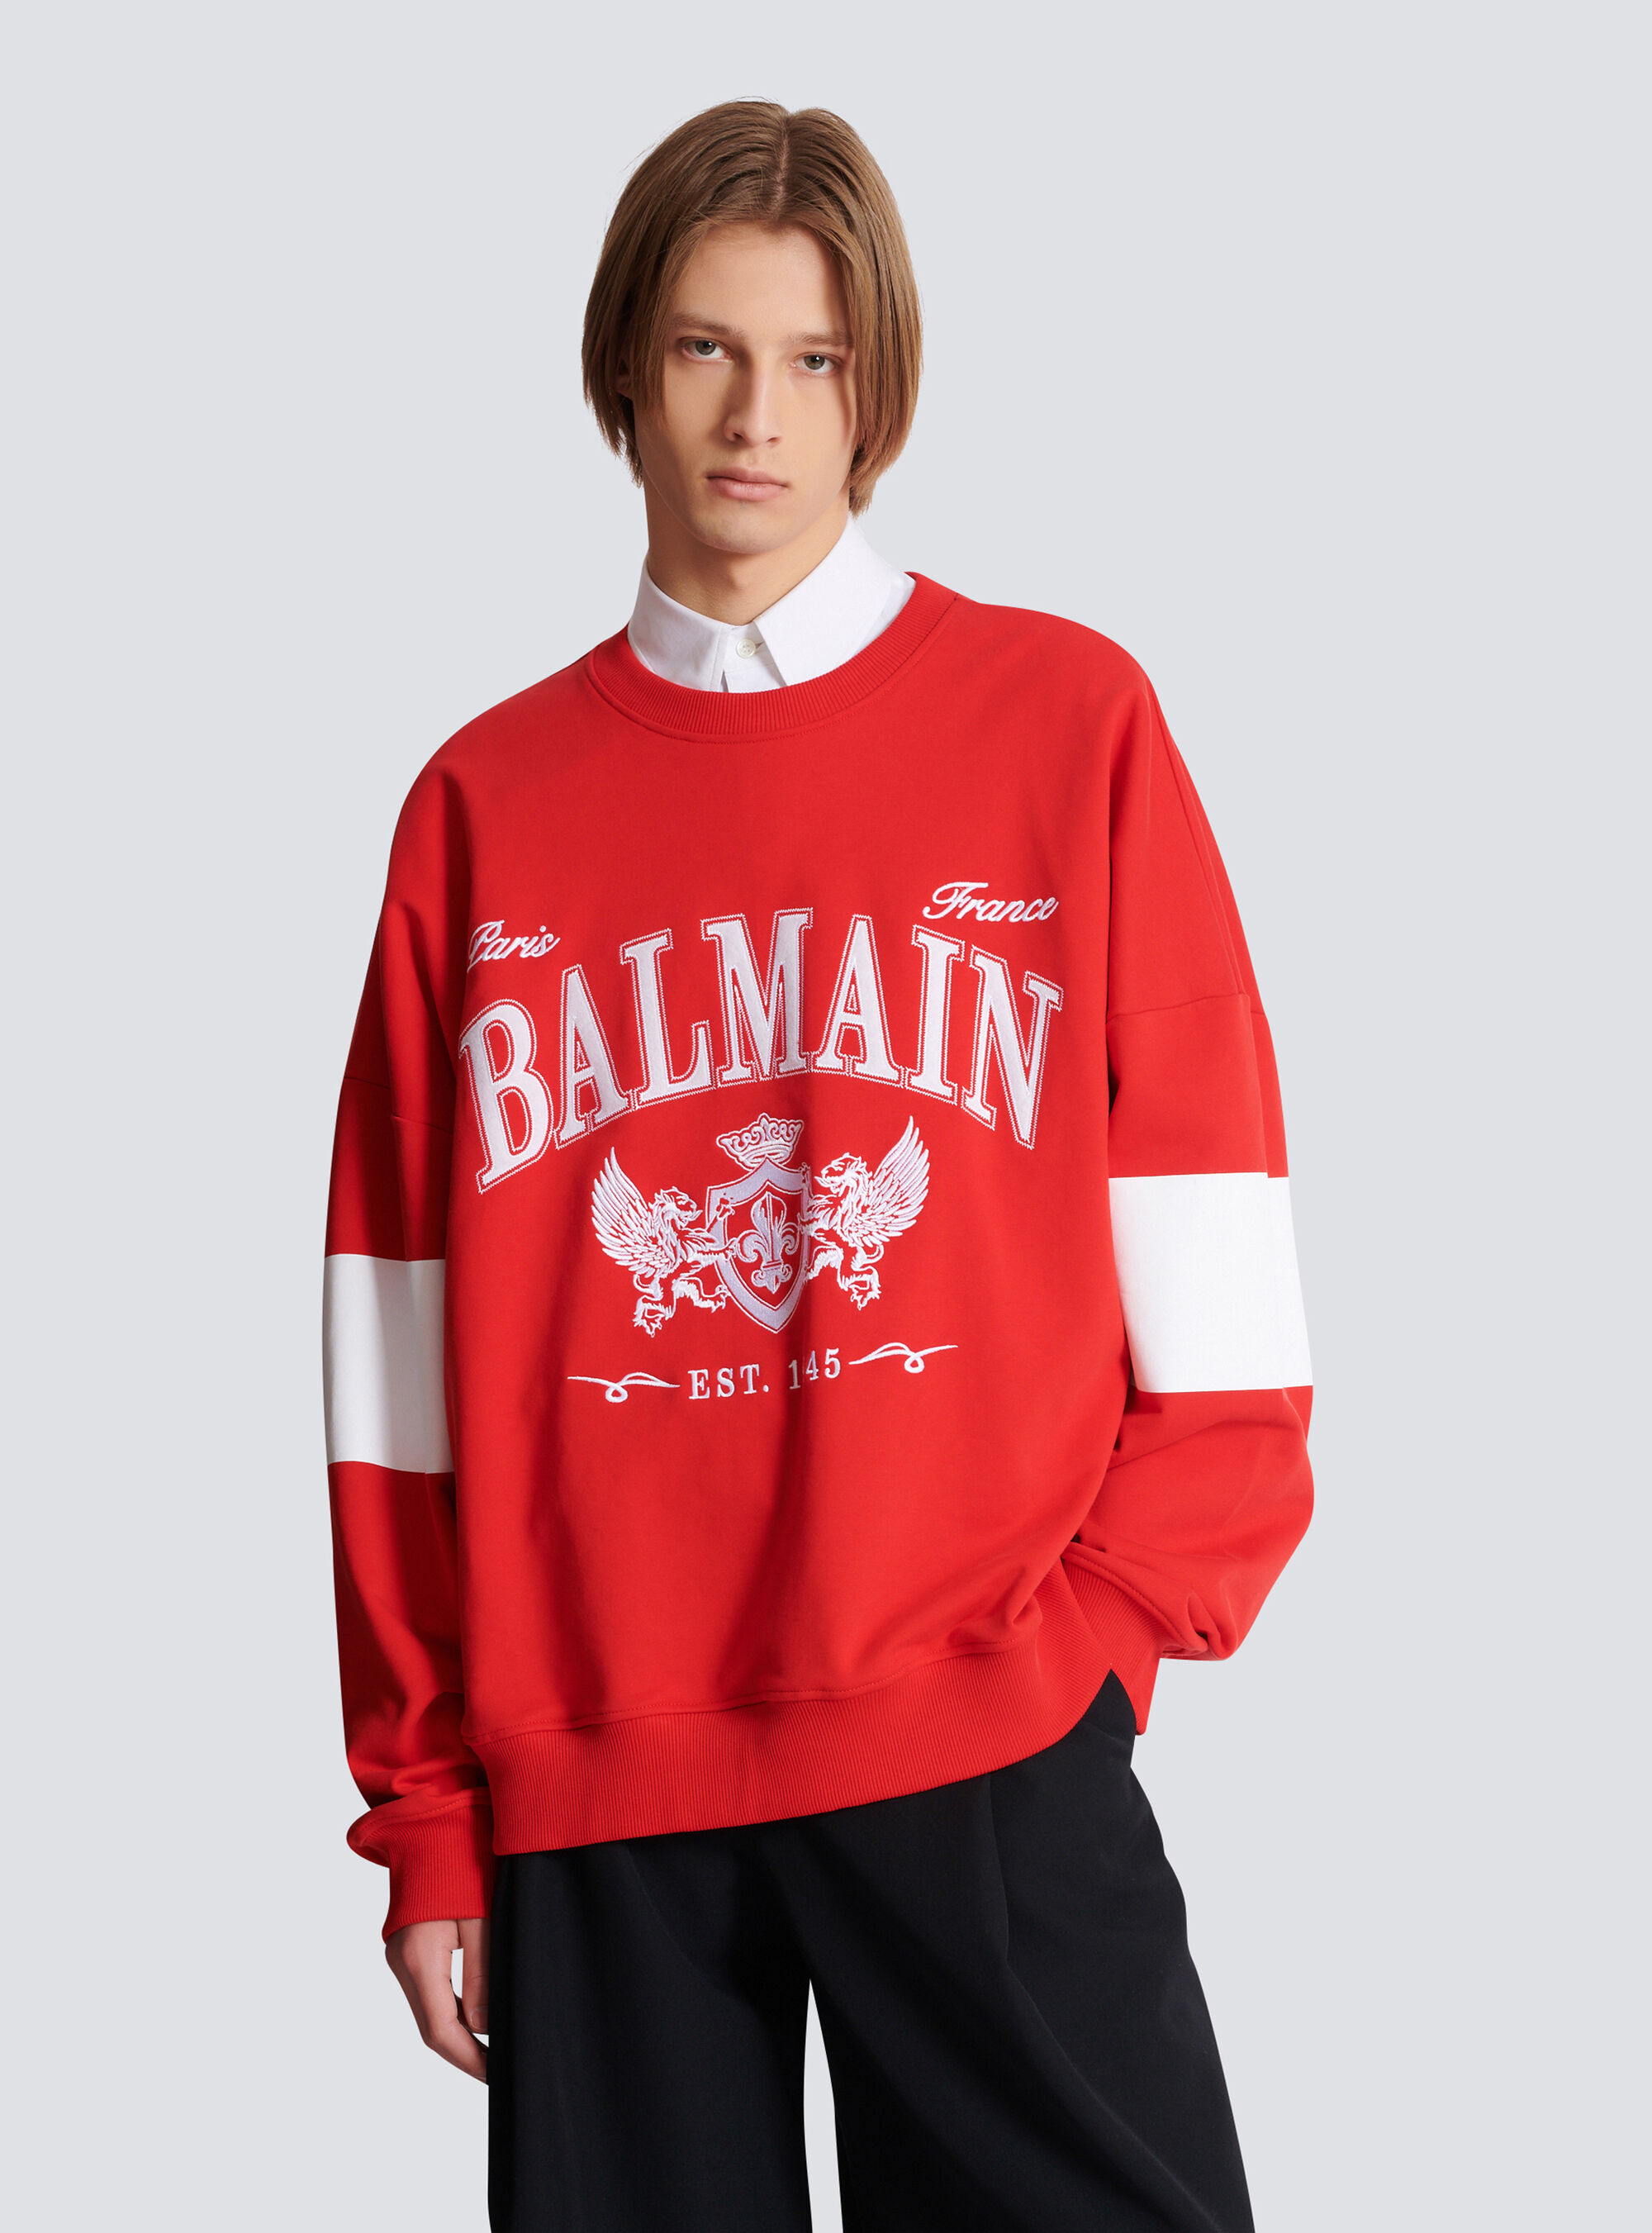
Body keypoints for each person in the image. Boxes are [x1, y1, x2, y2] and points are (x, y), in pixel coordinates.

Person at [321, 99, 1314, 2233]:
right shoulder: (483, 807)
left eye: (815, 359)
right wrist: (427, 1804)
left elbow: (1215, 1252)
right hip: (600, 1779)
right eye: (705, 349)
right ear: (626, 369)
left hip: (980, 1732)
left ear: (880, 390)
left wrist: (1090, 1649)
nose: (756, 417)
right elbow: (396, 1366)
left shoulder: (1066, 724)